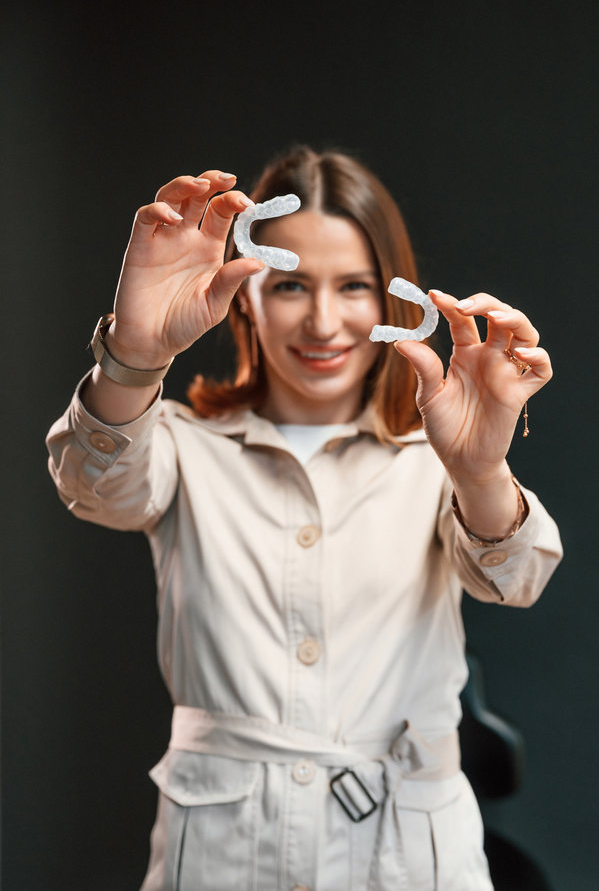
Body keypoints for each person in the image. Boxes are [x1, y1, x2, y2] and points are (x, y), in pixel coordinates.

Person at [46, 146, 562, 891]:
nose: (323, 321)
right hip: (225, 853)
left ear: (391, 303)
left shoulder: (435, 459)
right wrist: (132, 356)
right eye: (289, 284)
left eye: (353, 286)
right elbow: (90, 484)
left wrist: (480, 469)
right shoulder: (183, 448)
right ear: (244, 293)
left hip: (409, 857)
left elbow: (515, 580)